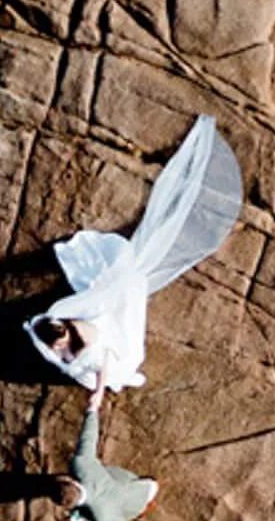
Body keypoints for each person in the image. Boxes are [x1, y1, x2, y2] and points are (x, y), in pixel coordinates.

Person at [25, 114, 243, 394]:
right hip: (108, 340)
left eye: (57, 344)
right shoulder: (52, 326)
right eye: (56, 346)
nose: (57, 349)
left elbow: (103, 358)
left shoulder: (82, 336)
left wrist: (97, 395)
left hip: (104, 345)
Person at [62, 400, 159, 521]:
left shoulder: (102, 518)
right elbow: (88, 438)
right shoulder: (81, 465)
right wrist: (92, 410)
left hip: (123, 505)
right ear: (73, 483)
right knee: (145, 486)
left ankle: (80, 515)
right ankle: (82, 515)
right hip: (136, 490)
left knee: (104, 515)